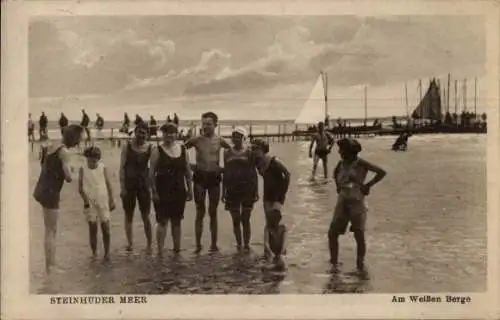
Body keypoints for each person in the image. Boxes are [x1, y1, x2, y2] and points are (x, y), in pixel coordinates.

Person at [329, 138, 387, 276]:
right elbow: (335, 173)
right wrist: (338, 186)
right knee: (332, 233)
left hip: (357, 202)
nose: (340, 152)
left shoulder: (361, 163)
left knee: (359, 234)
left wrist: (368, 185)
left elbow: (381, 172)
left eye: (342, 150)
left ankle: (360, 265)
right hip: (342, 201)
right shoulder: (341, 164)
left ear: (350, 152)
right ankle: (334, 263)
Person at [32, 124, 83, 274]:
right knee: (51, 230)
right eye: (79, 138)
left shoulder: (53, 145)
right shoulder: (65, 152)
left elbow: (44, 164)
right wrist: (73, 171)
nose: (79, 142)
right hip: (51, 191)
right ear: (73, 138)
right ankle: (51, 266)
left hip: (42, 187)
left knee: (49, 229)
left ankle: (51, 264)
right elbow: (68, 177)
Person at [184, 112, 231, 253]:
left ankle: (213, 245)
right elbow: (179, 150)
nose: (205, 126)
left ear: (215, 125)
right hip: (199, 177)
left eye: (209, 124)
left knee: (213, 212)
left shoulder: (220, 140)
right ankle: (198, 245)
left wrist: (224, 168)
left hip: (214, 178)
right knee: (200, 212)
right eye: (203, 123)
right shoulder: (196, 140)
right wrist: (189, 165)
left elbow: (232, 152)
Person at [150, 123, 193, 256]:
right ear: (162, 134)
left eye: (172, 132)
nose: (169, 135)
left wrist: (190, 189)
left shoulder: (183, 149)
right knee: (162, 221)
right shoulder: (157, 150)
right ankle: (160, 251)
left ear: (176, 134)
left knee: (177, 221)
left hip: (179, 189)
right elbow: (151, 174)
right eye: (166, 132)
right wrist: (154, 192)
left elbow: (188, 171)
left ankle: (177, 250)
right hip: (162, 189)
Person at [251, 139, 290, 270]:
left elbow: (287, 174)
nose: (254, 150)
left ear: (263, 149)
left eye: (257, 148)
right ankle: (268, 251)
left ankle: (281, 251)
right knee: (268, 223)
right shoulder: (257, 162)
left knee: (275, 221)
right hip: (267, 195)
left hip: (278, 196)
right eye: (253, 148)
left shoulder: (274, 161)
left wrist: (283, 194)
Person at [222, 127, 259, 252]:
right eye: (234, 136)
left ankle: (247, 244)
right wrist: (223, 191)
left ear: (244, 138)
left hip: (247, 188)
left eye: (238, 136)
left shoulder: (249, 153)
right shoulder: (227, 153)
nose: (236, 139)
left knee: (246, 218)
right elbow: (226, 173)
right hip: (232, 189)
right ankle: (239, 244)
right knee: (236, 219)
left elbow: (253, 173)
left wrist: (256, 191)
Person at [119, 122, 153, 253]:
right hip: (129, 184)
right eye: (139, 132)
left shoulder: (150, 148)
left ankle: (149, 244)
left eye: (144, 133)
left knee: (146, 216)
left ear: (147, 134)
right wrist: (122, 187)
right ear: (135, 132)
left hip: (144, 185)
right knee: (129, 215)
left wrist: (152, 185)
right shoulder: (127, 146)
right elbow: (122, 168)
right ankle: (130, 243)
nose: (141, 135)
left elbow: (154, 168)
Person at [78, 146, 115, 260]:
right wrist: (85, 201)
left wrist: (112, 199)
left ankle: (107, 252)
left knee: (106, 227)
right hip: (90, 201)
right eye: (89, 160)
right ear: (86, 158)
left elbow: (108, 184)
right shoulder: (83, 168)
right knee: (92, 228)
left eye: (94, 160)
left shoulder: (102, 167)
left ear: (98, 159)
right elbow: (80, 188)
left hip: (103, 200)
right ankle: (94, 253)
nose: (92, 162)